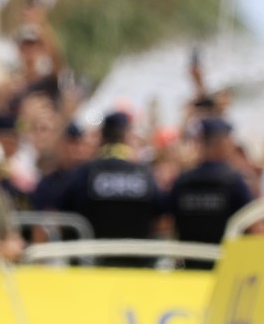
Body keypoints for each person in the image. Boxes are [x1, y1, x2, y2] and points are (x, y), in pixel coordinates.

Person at [57, 111, 162, 266]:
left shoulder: (84, 173)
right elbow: (161, 214)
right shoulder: (144, 173)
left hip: (91, 269)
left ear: (102, 137)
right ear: (126, 136)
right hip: (138, 271)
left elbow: (62, 210)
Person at [167, 118, 253, 259]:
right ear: (220, 144)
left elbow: (166, 220)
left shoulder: (182, 182)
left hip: (189, 269)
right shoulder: (234, 181)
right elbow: (252, 224)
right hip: (225, 267)